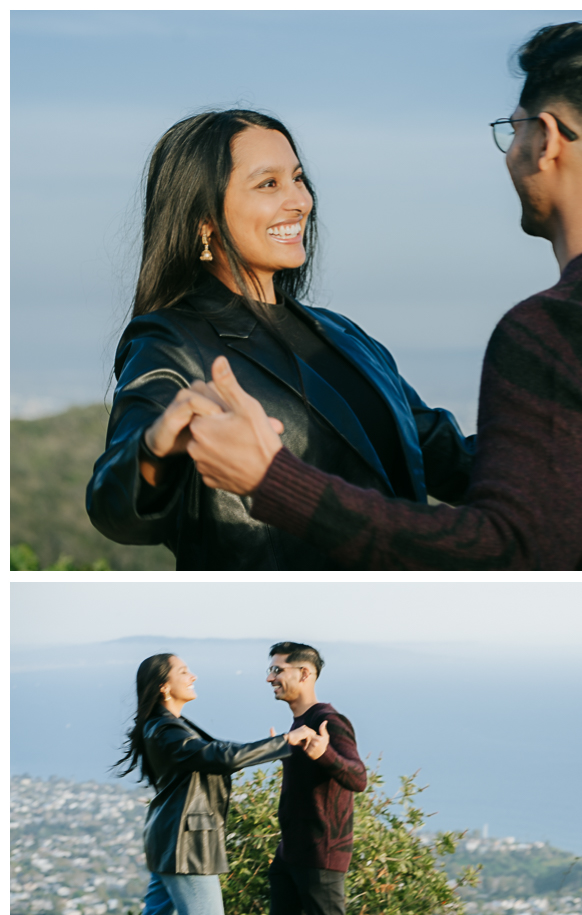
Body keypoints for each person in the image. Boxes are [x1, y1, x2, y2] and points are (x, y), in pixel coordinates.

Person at [184, 22, 582, 570]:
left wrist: (273, 481)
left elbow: (502, 550)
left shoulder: (561, 324)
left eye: (515, 129)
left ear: (547, 139)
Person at [85, 109, 474, 570]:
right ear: (204, 220)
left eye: (298, 179)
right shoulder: (170, 339)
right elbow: (115, 510)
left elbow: (446, 455)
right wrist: (156, 447)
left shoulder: (344, 334)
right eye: (268, 184)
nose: (300, 202)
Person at [69, 653, 315, 915]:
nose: (193, 674)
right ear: (164, 686)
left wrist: (273, 748)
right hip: (186, 848)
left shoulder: (169, 726)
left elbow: (216, 753)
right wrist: (283, 744)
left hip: (173, 844)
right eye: (184, 671)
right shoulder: (164, 728)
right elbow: (218, 756)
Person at [230, 643, 384, 915]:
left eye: (277, 670)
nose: (269, 678)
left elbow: (358, 777)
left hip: (322, 850)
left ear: (304, 674)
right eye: (270, 669)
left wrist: (323, 752)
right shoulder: (299, 722)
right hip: (291, 851)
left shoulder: (328, 721)